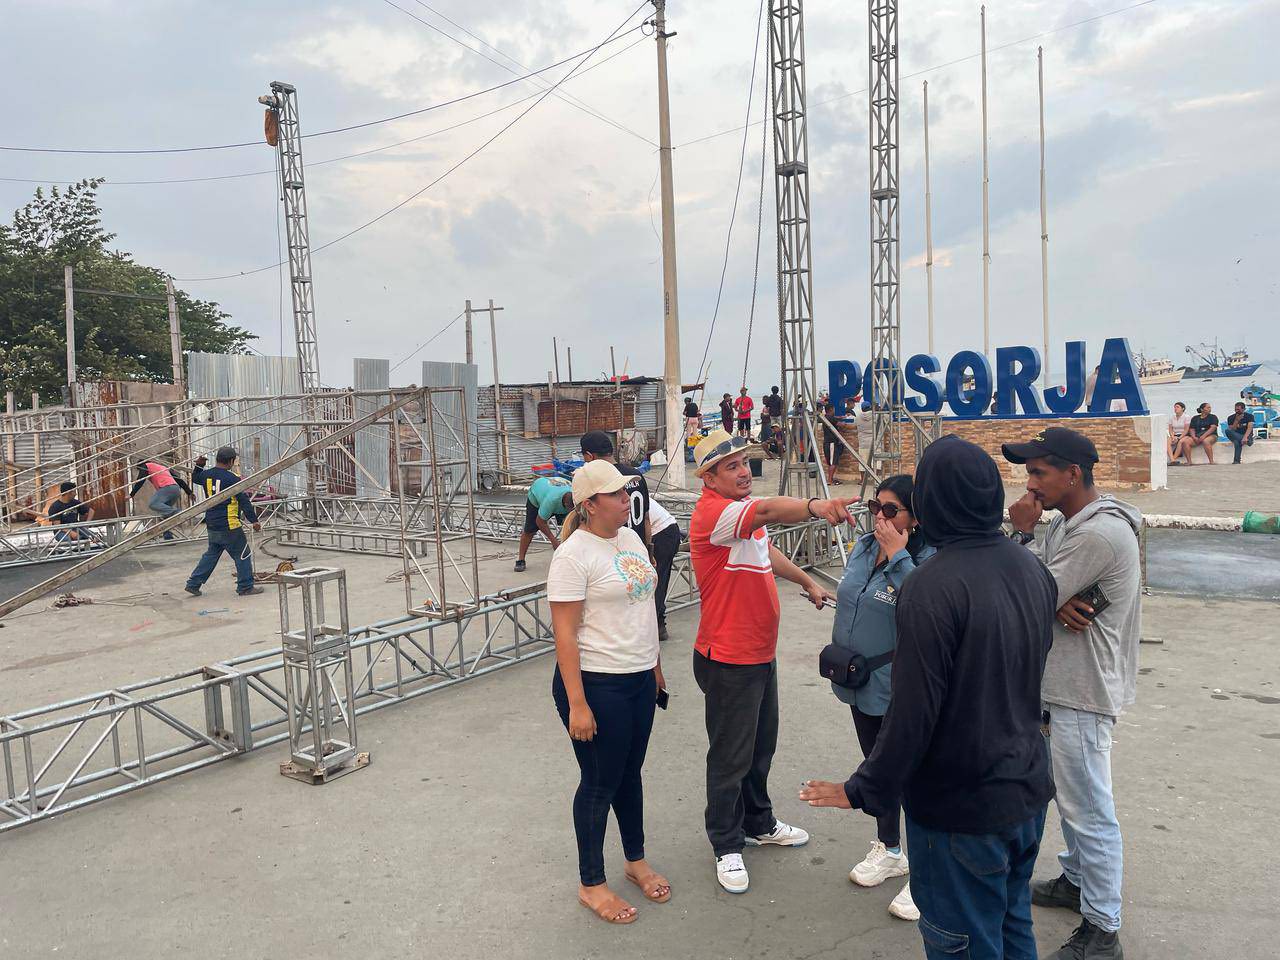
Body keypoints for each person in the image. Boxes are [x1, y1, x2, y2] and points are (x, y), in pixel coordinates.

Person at [800, 435, 1057, 960]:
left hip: (960, 809)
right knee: (1012, 929)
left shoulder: (932, 585)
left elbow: (914, 712)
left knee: (962, 942)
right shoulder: (1029, 567)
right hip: (1026, 789)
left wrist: (865, 787)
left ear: (934, 502)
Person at [689, 428, 853, 894]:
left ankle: (758, 822)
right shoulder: (715, 513)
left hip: (758, 653)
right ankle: (726, 842)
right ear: (709, 479)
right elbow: (764, 512)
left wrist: (807, 580)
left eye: (745, 463)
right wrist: (816, 506)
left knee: (760, 748)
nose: (744, 472)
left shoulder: (740, 517)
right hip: (729, 659)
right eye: (732, 467)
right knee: (730, 757)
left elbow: (765, 545)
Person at [1006, 427, 1141, 960]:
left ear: (1073, 474)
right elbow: (1043, 588)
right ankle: (1077, 880)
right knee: (1069, 799)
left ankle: (1103, 929)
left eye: (1039, 472)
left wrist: (1021, 536)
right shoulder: (1070, 522)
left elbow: (1020, 596)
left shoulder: (1098, 534)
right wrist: (1053, 595)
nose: (1030, 484)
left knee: (1088, 810)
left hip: (1081, 690)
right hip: (1064, 682)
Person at [548, 459, 669, 925]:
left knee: (630, 773)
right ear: (590, 504)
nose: (626, 500)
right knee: (600, 782)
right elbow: (564, 635)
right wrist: (578, 704)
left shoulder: (630, 538)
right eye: (616, 494)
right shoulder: (573, 555)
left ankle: (635, 860)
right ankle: (591, 883)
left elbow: (643, 608)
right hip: (597, 683)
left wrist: (654, 665)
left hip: (638, 677)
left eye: (625, 492)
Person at [829, 474, 935, 921]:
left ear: (916, 517)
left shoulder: (927, 560)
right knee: (877, 767)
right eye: (876, 507)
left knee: (914, 779)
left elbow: (928, 608)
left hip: (899, 689)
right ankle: (890, 848)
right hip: (858, 680)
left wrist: (898, 556)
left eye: (891, 510)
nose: (880, 518)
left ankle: (929, 874)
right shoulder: (863, 547)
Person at [185, 446, 263, 597]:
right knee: (243, 554)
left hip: (212, 523)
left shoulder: (206, 475)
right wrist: (254, 521)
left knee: (211, 554)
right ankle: (245, 586)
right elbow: (244, 502)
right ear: (231, 461)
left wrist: (199, 466)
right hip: (229, 525)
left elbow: (195, 478)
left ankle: (193, 584)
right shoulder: (233, 479)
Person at [514, 475, 574, 573]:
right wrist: (553, 541)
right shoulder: (551, 500)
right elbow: (540, 521)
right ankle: (521, 560)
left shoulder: (576, 495)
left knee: (571, 528)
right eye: (569, 509)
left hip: (556, 489)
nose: (570, 511)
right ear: (566, 505)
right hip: (536, 494)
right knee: (530, 530)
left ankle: (569, 558)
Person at [129, 460, 194, 540]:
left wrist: (132, 494)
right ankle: (168, 536)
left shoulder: (146, 466)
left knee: (153, 504)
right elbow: (179, 480)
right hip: (175, 490)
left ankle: (177, 512)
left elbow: (140, 480)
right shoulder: (163, 467)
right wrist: (189, 492)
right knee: (164, 514)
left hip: (166, 488)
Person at [648, 497, 682, 644]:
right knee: (657, 582)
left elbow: (644, 522)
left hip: (662, 532)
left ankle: (653, 627)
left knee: (654, 583)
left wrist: (648, 551)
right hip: (666, 529)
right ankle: (659, 625)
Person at [821, 399, 843, 485]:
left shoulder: (826, 417)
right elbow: (840, 424)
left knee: (831, 462)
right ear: (831, 409)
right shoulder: (831, 418)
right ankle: (830, 481)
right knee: (833, 462)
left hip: (828, 442)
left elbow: (835, 419)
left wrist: (840, 418)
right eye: (833, 409)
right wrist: (845, 423)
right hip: (831, 443)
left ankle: (831, 479)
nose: (834, 411)